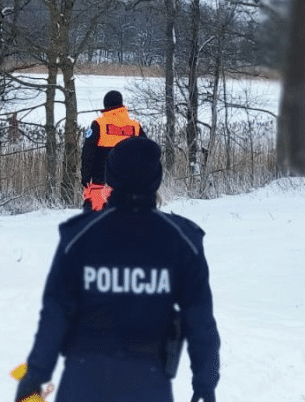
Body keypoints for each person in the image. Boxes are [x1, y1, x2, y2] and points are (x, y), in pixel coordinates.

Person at [15, 137, 220, 402]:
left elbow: (55, 314)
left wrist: (35, 374)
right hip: (147, 384)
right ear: (156, 178)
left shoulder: (79, 236)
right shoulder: (183, 240)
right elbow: (201, 323)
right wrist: (206, 384)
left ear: (110, 178)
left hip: (83, 381)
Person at [81, 90, 145, 211]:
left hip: (101, 183)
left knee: (94, 221)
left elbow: (88, 153)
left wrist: (85, 176)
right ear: (121, 105)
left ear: (106, 105)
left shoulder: (98, 124)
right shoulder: (135, 127)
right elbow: (147, 153)